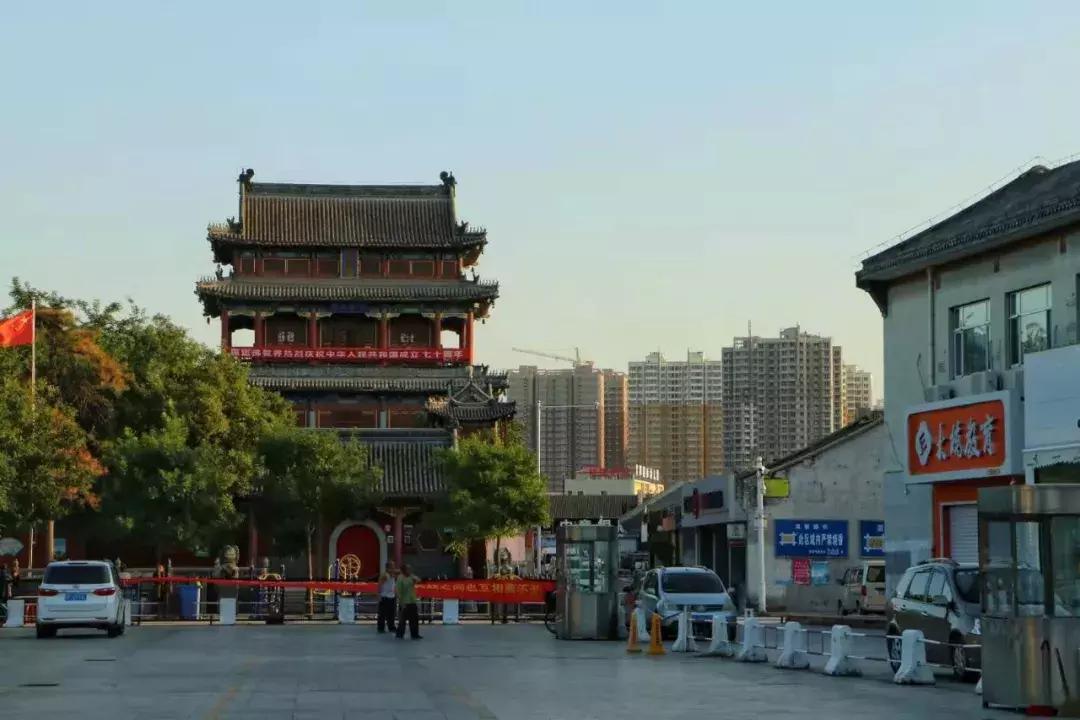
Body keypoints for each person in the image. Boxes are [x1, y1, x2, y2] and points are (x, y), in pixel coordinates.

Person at [395, 564, 421, 640]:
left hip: (412, 601)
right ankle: (400, 634)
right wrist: (401, 602)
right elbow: (398, 591)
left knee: (414, 619)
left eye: (410, 569)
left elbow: (419, 580)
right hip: (405, 602)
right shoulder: (400, 578)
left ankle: (415, 634)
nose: (410, 570)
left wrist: (414, 578)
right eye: (408, 569)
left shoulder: (411, 576)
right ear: (404, 570)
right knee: (402, 620)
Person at [376, 561, 398, 633]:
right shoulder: (384, 575)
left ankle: (391, 627)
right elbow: (379, 584)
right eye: (392, 567)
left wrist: (396, 594)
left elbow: (393, 585)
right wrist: (379, 594)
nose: (394, 568)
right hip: (384, 597)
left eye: (394, 566)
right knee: (382, 614)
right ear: (388, 568)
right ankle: (380, 628)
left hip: (392, 596)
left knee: (391, 614)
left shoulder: (393, 575)